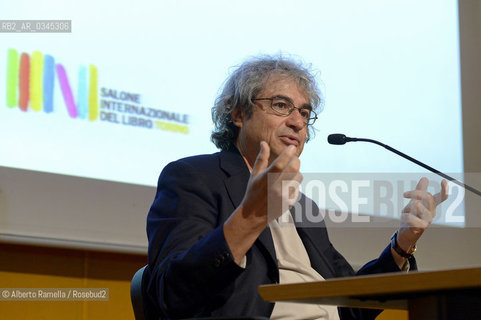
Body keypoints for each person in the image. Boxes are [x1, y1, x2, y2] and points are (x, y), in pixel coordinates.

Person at [144, 55, 448, 319]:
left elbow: (351, 304)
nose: (298, 122)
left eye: (304, 112)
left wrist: (402, 244)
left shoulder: (302, 205)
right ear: (237, 114)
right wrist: (251, 216)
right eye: (280, 105)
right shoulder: (193, 177)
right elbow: (171, 294)